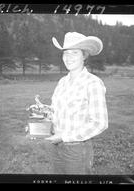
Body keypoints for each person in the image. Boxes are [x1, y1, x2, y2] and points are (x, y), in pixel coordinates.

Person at [45, 32, 108, 174]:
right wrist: (41, 121)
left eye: (74, 53)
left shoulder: (93, 83)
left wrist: (64, 137)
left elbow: (100, 123)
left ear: (84, 56)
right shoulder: (62, 82)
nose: (68, 57)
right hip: (56, 147)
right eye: (65, 53)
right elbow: (54, 111)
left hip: (77, 150)